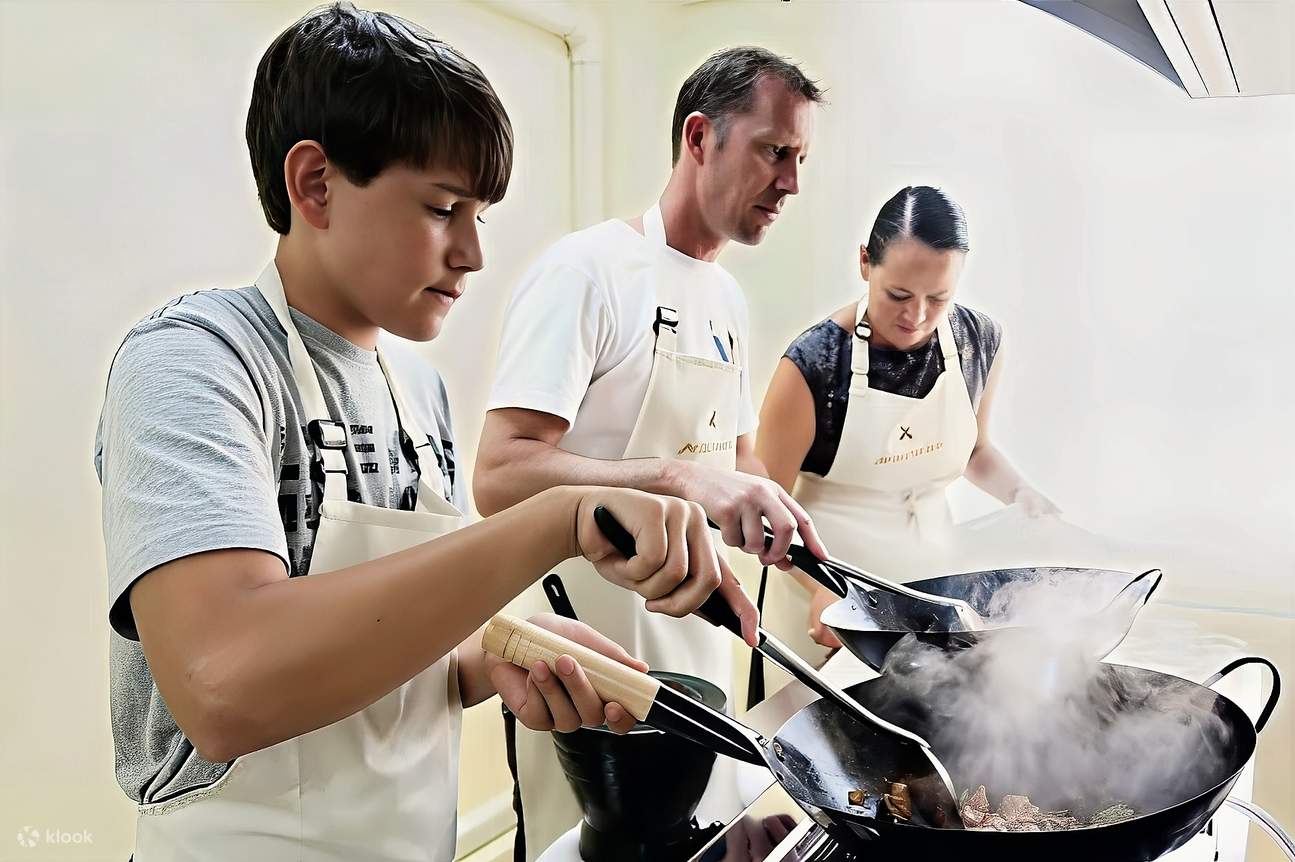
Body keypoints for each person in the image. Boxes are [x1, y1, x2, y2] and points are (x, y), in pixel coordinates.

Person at [93, 6, 747, 860]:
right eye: (443, 208)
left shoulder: (419, 391)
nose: (472, 253)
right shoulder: (195, 363)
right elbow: (224, 684)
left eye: (480, 215)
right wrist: (556, 518)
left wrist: (502, 652)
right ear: (315, 184)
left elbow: (392, 643)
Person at [473, 46, 827, 859]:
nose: (790, 183)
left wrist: (817, 576)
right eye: (774, 151)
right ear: (699, 137)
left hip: (700, 646)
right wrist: (674, 477)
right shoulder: (586, 272)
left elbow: (735, 463)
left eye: (799, 160)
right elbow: (499, 473)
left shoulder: (726, 296)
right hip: (582, 672)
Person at [756, 186, 1058, 660]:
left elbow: (975, 450)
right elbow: (761, 511)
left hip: (933, 593)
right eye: (898, 294)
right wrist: (821, 585)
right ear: (865, 263)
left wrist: (1023, 495)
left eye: (938, 298)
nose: (916, 316)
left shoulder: (979, 342)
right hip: (827, 601)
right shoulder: (812, 365)